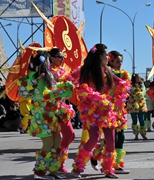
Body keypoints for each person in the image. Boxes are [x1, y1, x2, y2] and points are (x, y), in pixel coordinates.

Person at [71, 44, 129, 178]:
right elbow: (80, 87)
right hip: (91, 110)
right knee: (94, 138)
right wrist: (98, 98)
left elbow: (122, 83)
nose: (108, 57)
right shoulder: (85, 71)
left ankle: (108, 169)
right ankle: (78, 168)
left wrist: (120, 97)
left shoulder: (107, 71)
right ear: (99, 57)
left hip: (106, 110)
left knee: (111, 140)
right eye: (106, 55)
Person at [18, 50, 73, 180]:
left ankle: (53, 169)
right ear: (43, 61)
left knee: (57, 142)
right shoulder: (38, 77)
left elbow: (52, 87)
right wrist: (62, 93)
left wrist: (64, 85)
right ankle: (39, 171)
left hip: (51, 115)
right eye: (48, 59)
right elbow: (44, 95)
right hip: (42, 116)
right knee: (48, 143)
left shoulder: (46, 75)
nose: (50, 62)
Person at [48, 47, 75, 173]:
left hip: (62, 107)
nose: (62, 59)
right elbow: (51, 90)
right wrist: (63, 88)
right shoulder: (49, 72)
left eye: (63, 57)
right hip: (53, 108)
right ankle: (57, 163)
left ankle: (58, 163)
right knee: (64, 136)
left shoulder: (62, 70)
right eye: (60, 57)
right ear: (52, 58)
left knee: (70, 135)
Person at [127, 73, 148, 140]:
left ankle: (143, 134)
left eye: (139, 77)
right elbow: (129, 92)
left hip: (141, 105)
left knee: (142, 120)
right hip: (133, 105)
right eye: (137, 77)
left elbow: (143, 91)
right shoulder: (130, 85)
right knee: (134, 121)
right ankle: (136, 135)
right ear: (134, 78)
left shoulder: (142, 84)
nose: (139, 78)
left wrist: (140, 93)